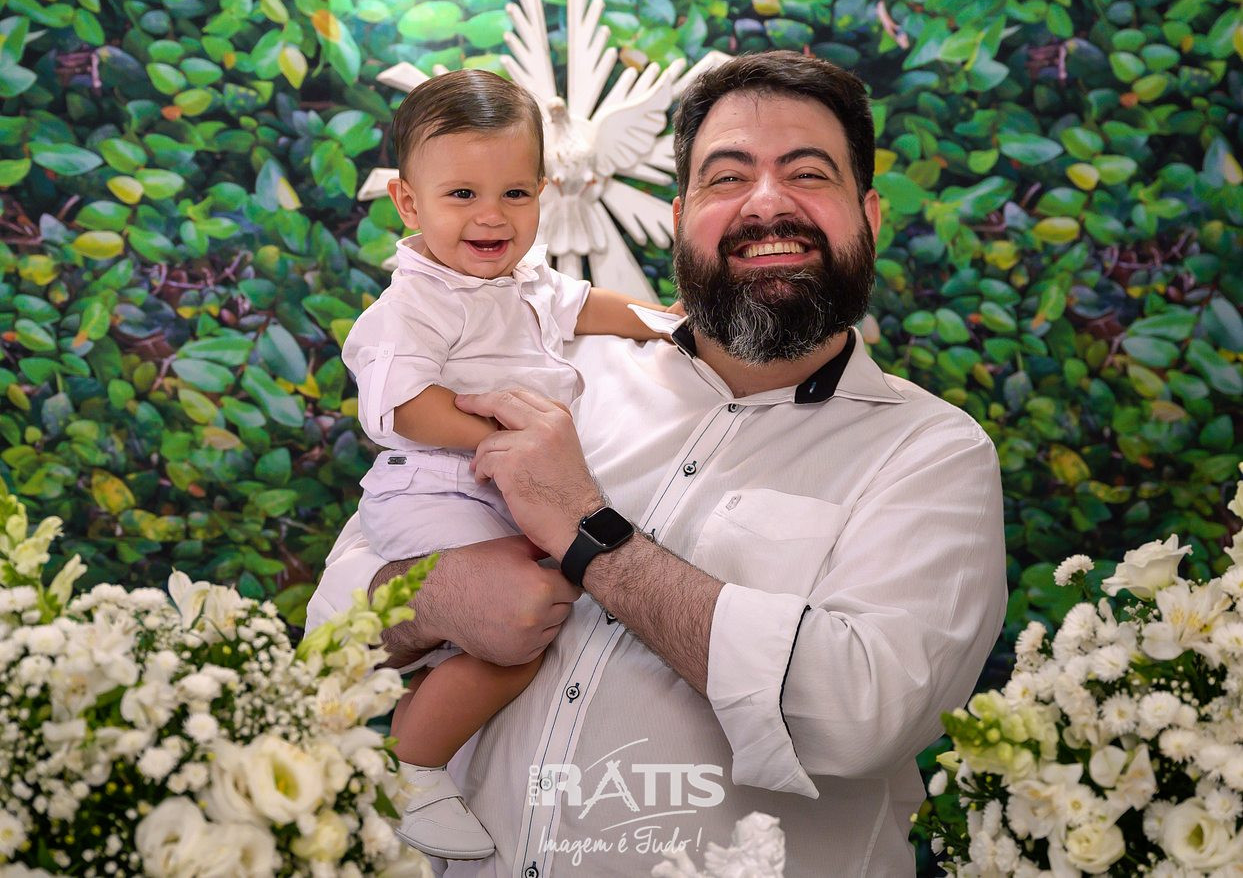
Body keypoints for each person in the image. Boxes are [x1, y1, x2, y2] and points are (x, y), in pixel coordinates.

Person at [308, 50, 1007, 876]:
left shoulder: (933, 453)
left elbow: (862, 718)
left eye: (807, 173)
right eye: (726, 177)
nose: (767, 202)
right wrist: (436, 596)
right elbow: (328, 635)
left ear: (869, 214)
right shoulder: (551, 377)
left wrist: (585, 528)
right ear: (679, 217)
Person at [340, 69, 672, 861]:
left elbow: (586, 305)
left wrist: (667, 324)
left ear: (542, 194)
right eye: (461, 195)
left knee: (549, 604)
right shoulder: (414, 303)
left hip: (497, 489)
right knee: (518, 631)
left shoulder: (525, 281)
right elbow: (403, 407)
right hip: (435, 488)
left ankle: (426, 742)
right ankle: (409, 766)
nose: (491, 216)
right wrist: (494, 440)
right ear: (408, 203)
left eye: (514, 194)